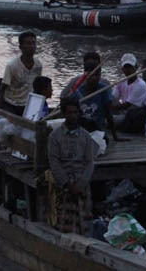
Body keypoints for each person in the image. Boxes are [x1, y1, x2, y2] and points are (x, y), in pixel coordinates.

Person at [47, 97, 96, 235]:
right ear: (64, 114)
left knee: (84, 223)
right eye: (69, 113)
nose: (73, 116)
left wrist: (81, 183)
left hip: (81, 182)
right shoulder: (55, 136)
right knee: (64, 224)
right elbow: (54, 162)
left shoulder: (86, 137)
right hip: (64, 183)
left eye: (75, 112)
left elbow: (90, 162)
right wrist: (68, 184)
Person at [70, 62, 124, 141]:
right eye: (92, 75)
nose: (95, 78)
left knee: (101, 141)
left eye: (97, 75)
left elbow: (108, 113)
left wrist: (115, 136)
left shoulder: (104, 89)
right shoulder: (78, 91)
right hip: (81, 128)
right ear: (86, 75)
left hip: (97, 129)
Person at [0, 31, 42, 116]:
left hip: (28, 103)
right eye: (28, 44)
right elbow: (3, 88)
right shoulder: (12, 66)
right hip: (11, 103)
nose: (32, 46)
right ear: (21, 47)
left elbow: (38, 86)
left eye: (33, 43)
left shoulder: (38, 65)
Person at [111, 53, 146, 124]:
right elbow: (113, 97)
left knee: (109, 120)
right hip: (123, 112)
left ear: (136, 67)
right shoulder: (121, 82)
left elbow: (126, 106)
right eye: (126, 67)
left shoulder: (140, 85)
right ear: (122, 69)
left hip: (135, 115)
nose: (128, 70)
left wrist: (110, 107)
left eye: (130, 67)